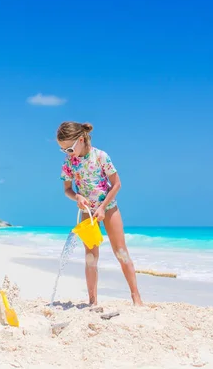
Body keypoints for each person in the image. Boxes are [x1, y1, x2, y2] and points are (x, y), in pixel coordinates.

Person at [57, 121, 143, 306]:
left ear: (80, 140)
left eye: (69, 149)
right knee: (90, 258)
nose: (67, 154)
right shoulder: (69, 163)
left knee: (121, 252)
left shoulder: (101, 156)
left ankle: (136, 296)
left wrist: (103, 207)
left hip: (109, 208)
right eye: (63, 150)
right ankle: (92, 301)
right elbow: (67, 189)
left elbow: (117, 184)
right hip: (87, 212)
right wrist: (77, 197)